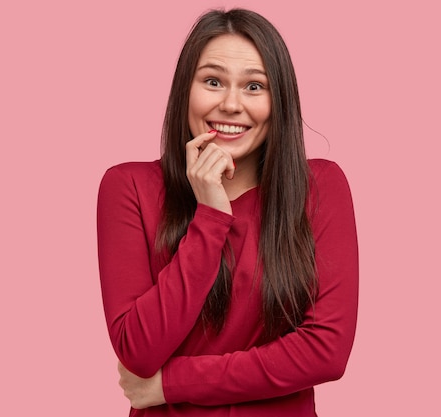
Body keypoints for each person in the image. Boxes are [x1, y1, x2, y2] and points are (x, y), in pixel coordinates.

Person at [97, 8, 358, 416]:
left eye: (255, 87)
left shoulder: (319, 188)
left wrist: (172, 384)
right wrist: (211, 217)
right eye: (213, 81)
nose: (231, 104)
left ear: (279, 101)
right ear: (186, 88)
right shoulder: (129, 187)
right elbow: (138, 351)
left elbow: (326, 351)